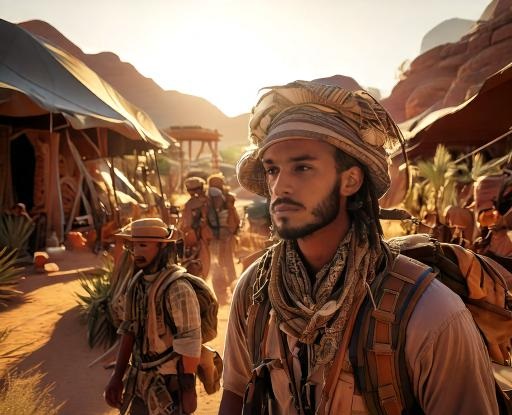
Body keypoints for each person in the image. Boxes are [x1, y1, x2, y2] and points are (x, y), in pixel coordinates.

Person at [219, 81, 498, 414]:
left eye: (302, 167)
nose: (280, 186)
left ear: (350, 180)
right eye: (273, 170)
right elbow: (236, 393)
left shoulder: (430, 312)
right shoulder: (255, 291)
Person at [104, 218, 201, 415]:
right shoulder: (136, 285)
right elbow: (128, 331)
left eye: (143, 245)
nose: (137, 252)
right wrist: (117, 376)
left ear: (162, 248)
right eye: (133, 246)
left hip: (170, 384)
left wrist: (188, 389)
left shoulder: (178, 288)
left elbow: (190, 342)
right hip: (140, 381)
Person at [208, 173, 240, 286]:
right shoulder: (207, 201)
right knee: (216, 261)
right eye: (213, 185)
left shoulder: (228, 198)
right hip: (214, 235)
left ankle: (232, 283)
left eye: (218, 184)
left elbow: (235, 219)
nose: (216, 187)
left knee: (228, 259)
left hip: (227, 232)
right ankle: (220, 284)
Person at [180, 177, 213, 278]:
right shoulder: (210, 200)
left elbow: (186, 225)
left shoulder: (190, 204)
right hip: (212, 237)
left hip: (198, 239)